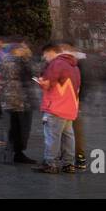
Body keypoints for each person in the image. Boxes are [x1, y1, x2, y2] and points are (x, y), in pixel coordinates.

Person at [34, 41, 80, 173]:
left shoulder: (57, 63)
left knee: (52, 136)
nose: (45, 58)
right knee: (68, 137)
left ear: (50, 52)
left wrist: (41, 82)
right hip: (70, 107)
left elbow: (47, 84)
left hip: (56, 106)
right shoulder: (74, 66)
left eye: (45, 55)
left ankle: (51, 164)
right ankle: (69, 164)